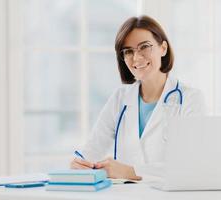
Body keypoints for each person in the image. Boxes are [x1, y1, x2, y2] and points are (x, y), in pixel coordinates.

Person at [70, 15, 205, 180]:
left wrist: (131, 172)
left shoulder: (190, 99)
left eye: (145, 47)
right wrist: (80, 163)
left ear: (163, 48)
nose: (136, 58)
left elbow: (191, 165)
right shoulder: (119, 98)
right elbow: (93, 148)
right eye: (128, 51)